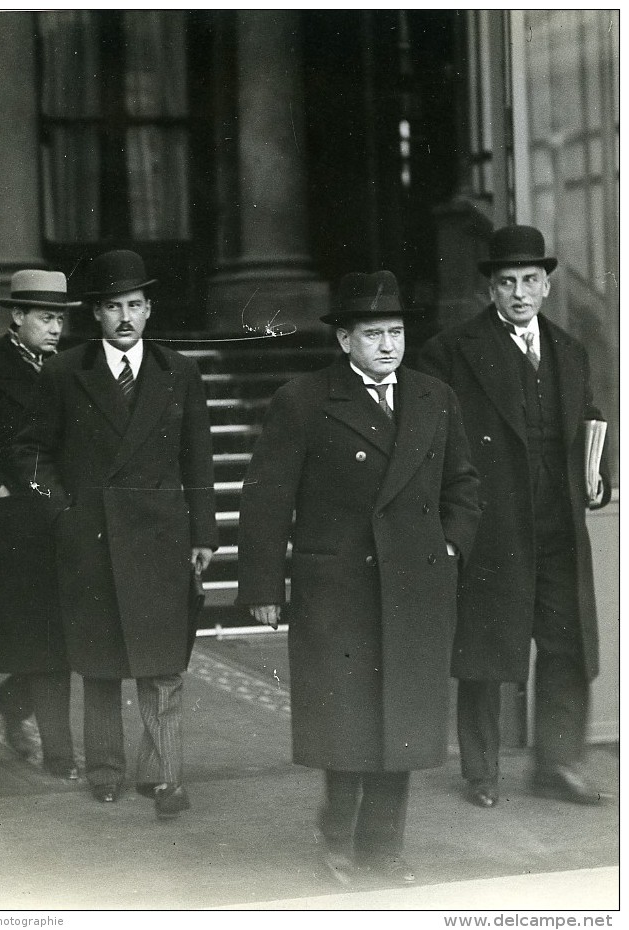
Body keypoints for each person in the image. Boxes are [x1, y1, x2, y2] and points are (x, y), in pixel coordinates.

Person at [237, 271, 480, 886]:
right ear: (344, 341)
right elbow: (267, 498)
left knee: (403, 717)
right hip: (338, 588)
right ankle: (337, 836)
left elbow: (464, 486)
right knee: (346, 718)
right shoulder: (304, 399)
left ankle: (384, 847)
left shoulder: (434, 397)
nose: (388, 345)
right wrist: (263, 587)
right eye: (373, 334)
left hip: (415, 586)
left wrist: (450, 544)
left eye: (396, 332)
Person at [12, 250, 218, 818]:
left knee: (162, 662)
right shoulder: (64, 371)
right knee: (101, 662)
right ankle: (105, 770)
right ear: (95, 315)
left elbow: (199, 459)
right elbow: (29, 451)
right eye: (112, 307)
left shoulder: (181, 371)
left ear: (149, 309)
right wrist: (63, 510)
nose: (125, 317)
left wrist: (204, 532)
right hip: (92, 536)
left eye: (134, 305)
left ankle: (164, 776)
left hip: (161, 538)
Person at [417, 225, 611, 809]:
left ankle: (558, 763)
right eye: (507, 283)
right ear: (491, 290)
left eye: (530, 280)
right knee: (485, 649)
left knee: (566, 643)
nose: (520, 293)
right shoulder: (449, 352)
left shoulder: (570, 350)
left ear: (547, 286)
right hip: (492, 525)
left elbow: (591, 421)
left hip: (559, 523)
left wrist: (602, 477)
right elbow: (433, 443)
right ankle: (482, 771)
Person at [0, 270, 81, 779]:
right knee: (39, 633)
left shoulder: (68, 366)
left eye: (61, 318)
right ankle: (60, 755)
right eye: (45, 317)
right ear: (17, 316)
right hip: (10, 521)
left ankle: (11, 700)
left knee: (59, 634)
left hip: (60, 512)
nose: (56, 328)